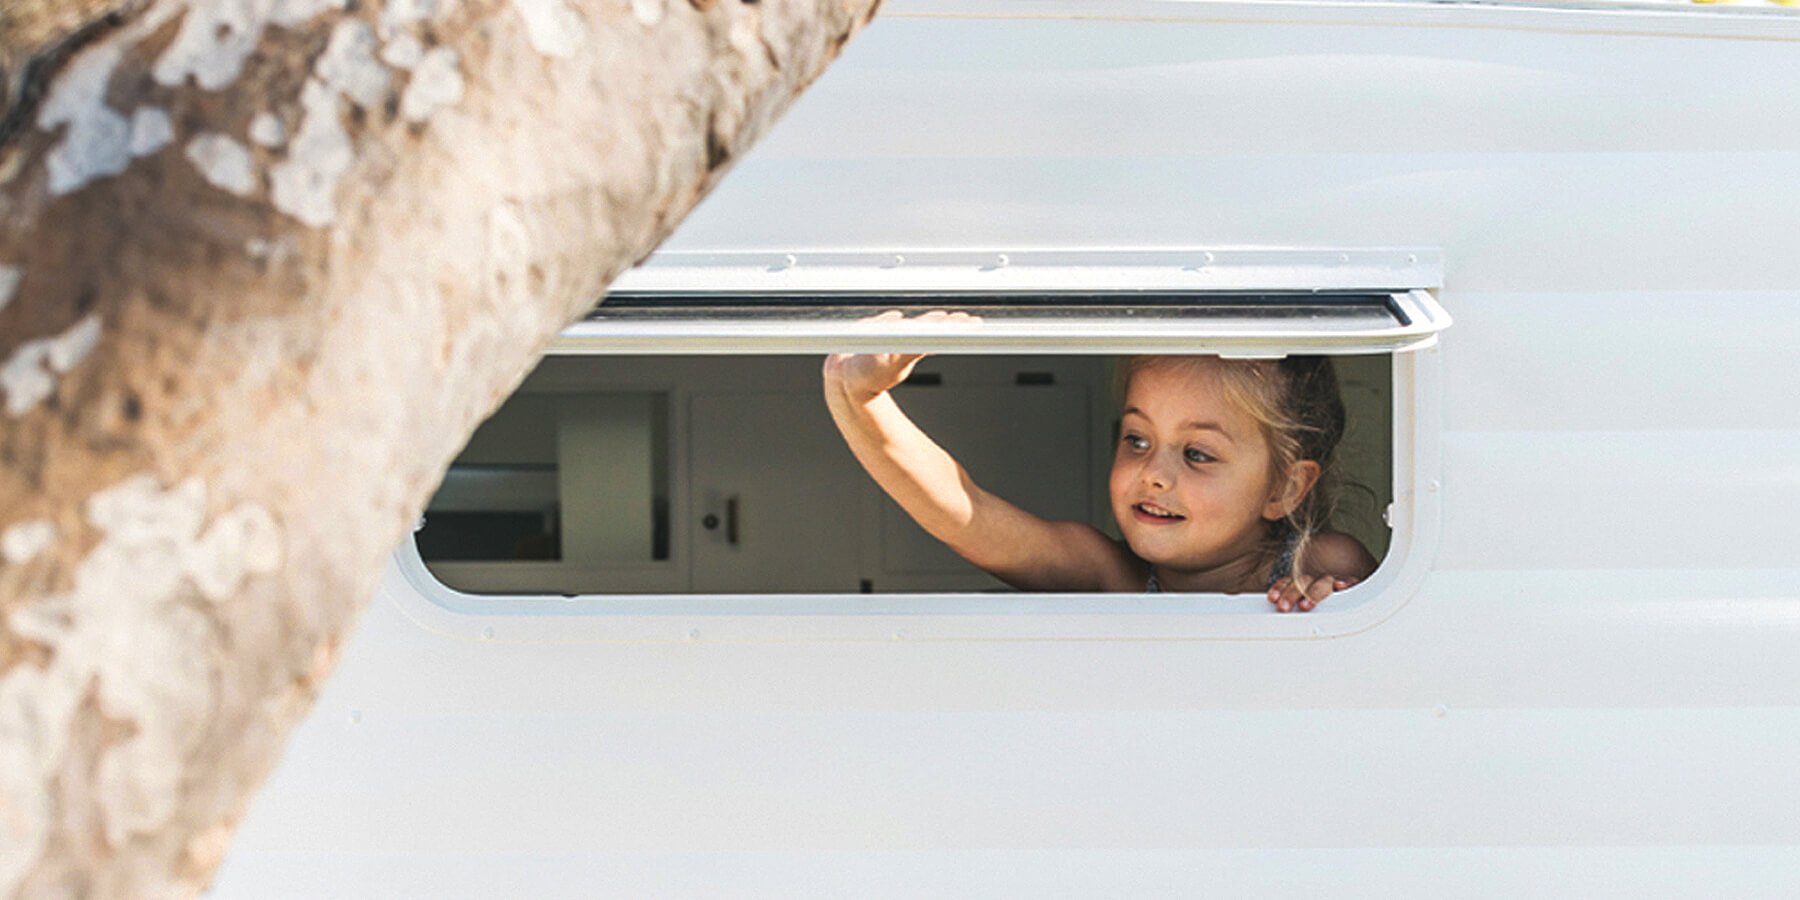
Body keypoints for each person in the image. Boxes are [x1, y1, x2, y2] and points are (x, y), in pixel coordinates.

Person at [821, 313, 1377, 612]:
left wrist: (1335, 602)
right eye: (1137, 439)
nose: (1154, 474)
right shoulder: (1112, 576)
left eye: (1197, 454)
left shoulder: (1322, 560)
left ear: (1285, 487)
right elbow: (971, 514)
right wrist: (860, 399)